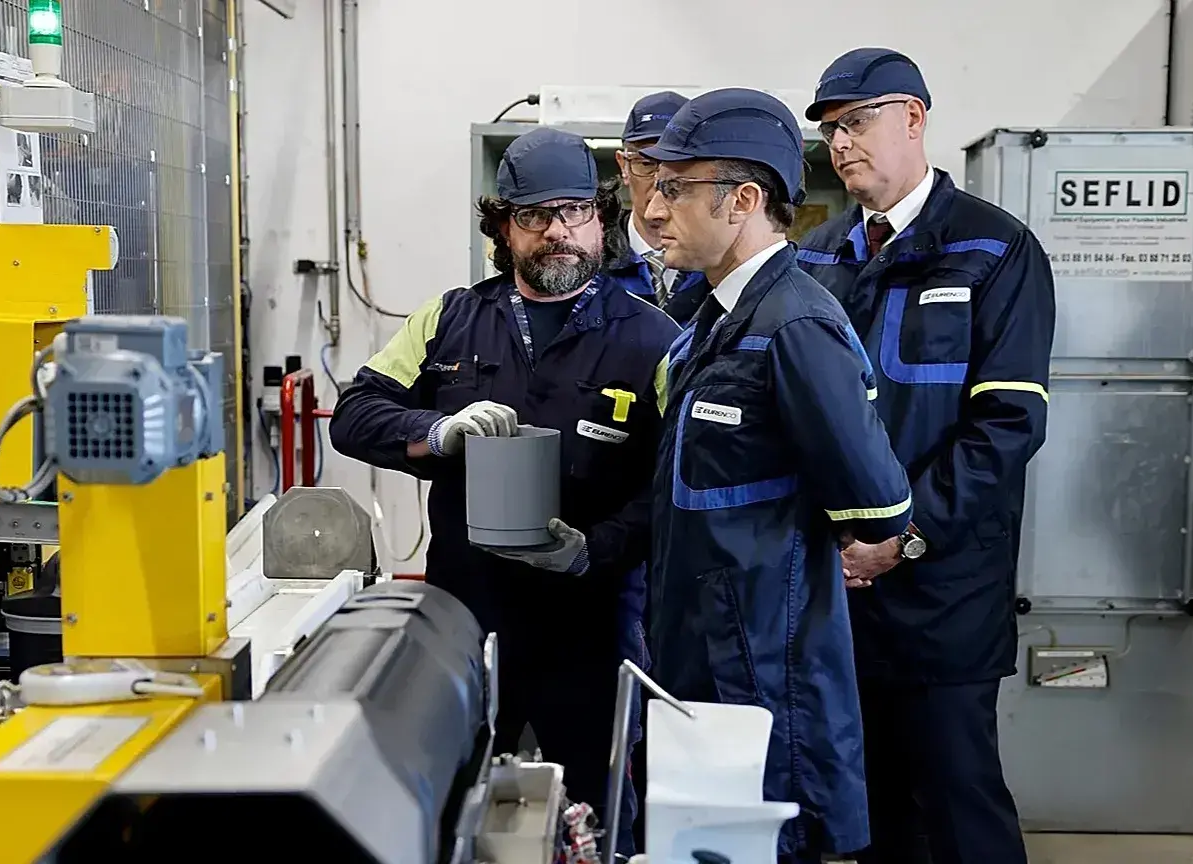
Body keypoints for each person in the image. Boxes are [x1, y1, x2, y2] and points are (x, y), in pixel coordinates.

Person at [328, 126, 679, 856]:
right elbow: (356, 415)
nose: (557, 232)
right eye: (534, 216)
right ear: (502, 227)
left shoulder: (656, 340)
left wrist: (594, 550)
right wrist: (438, 429)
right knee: (456, 800)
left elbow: (674, 484)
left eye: (574, 211)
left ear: (602, 217)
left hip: (591, 621)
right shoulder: (448, 318)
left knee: (599, 807)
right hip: (466, 618)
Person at [640, 88, 915, 863]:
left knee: (770, 840)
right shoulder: (719, 316)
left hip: (761, 662)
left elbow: (877, 501)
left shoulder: (794, 324)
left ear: (745, 200)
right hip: (702, 647)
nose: (654, 211)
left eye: (675, 188)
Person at [796, 48, 1055, 864]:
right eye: (831, 131)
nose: (840, 145)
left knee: (958, 805)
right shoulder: (819, 256)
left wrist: (903, 537)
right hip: (839, 592)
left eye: (855, 123)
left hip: (943, 591)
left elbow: (1006, 427)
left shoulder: (994, 249)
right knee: (865, 814)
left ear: (913, 118)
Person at [607, 91, 710, 323]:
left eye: (676, 166)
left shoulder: (719, 264)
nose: (659, 183)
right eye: (646, 164)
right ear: (623, 166)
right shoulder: (592, 265)